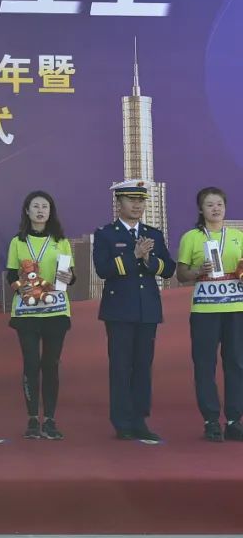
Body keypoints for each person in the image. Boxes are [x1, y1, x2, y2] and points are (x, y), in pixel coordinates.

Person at [93, 179, 176, 442]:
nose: (137, 205)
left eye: (141, 200)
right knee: (120, 366)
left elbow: (169, 269)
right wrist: (134, 255)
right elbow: (103, 270)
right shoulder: (106, 234)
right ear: (118, 203)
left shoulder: (153, 234)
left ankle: (139, 419)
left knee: (142, 366)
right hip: (119, 310)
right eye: (131, 200)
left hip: (147, 309)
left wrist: (149, 260)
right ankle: (122, 422)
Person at [5, 191, 76, 441]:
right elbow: (11, 275)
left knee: (51, 364)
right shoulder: (18, 242)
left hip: (55, 311)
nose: (40, 211)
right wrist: (20, 288)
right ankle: (33, 418)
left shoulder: (61, 241)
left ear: (50, 211)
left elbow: (69, 276)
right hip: (27, 312)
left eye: (44, 206)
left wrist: (69, 278)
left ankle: (50, 420)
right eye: (35, 206)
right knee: (31, 364)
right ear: (27, 211)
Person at [175, 187, 243, 442]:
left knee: (236, 363)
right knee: (205, 364)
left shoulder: (237, 236)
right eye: (210, 205)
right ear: (201, 210)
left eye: (219, 205)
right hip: (205, 309)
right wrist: (198, 271)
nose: (215, 209)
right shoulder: (191, 238)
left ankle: (234, 420)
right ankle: (211, 420)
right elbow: (181, 274)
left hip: (236, 308)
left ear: (225, 208)